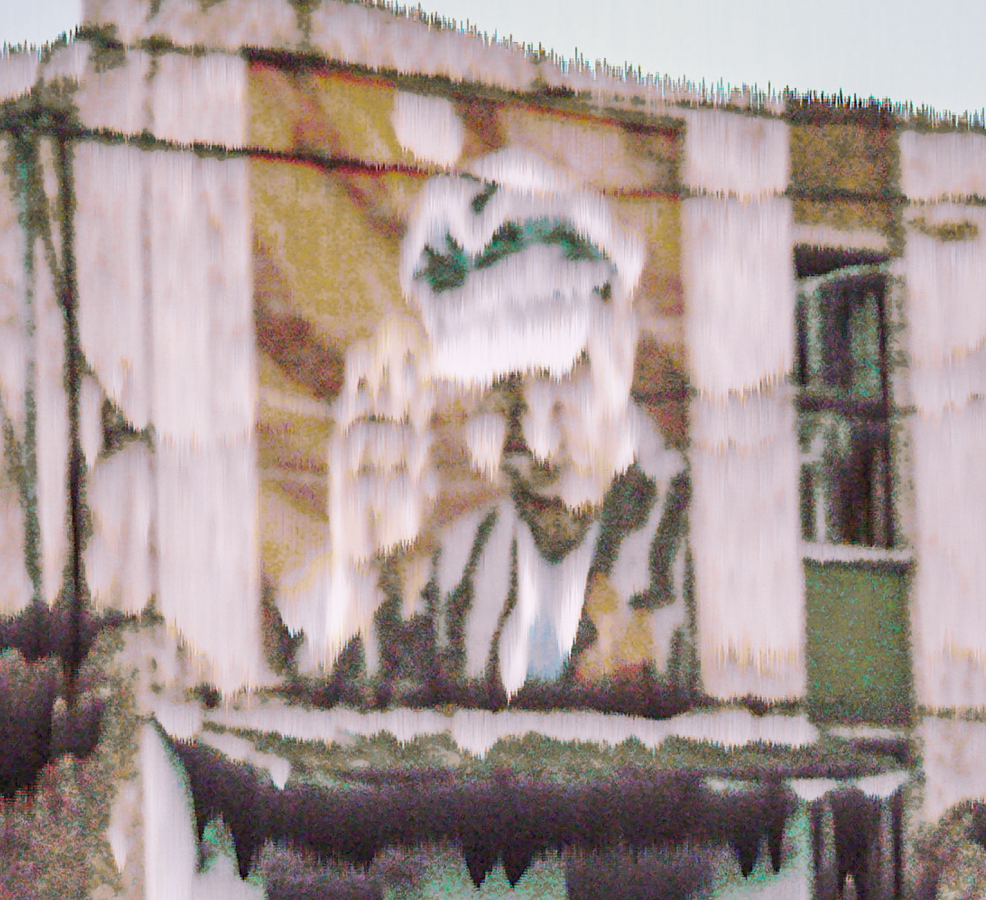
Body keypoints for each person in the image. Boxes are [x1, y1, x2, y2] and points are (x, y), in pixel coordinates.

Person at [280, 147, 696, 707]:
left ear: (618, 354)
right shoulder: (456, 571)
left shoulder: (701, 540)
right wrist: (361, 570)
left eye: (560, 384)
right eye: (500, 400)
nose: (534, 445)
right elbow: (343, 734)